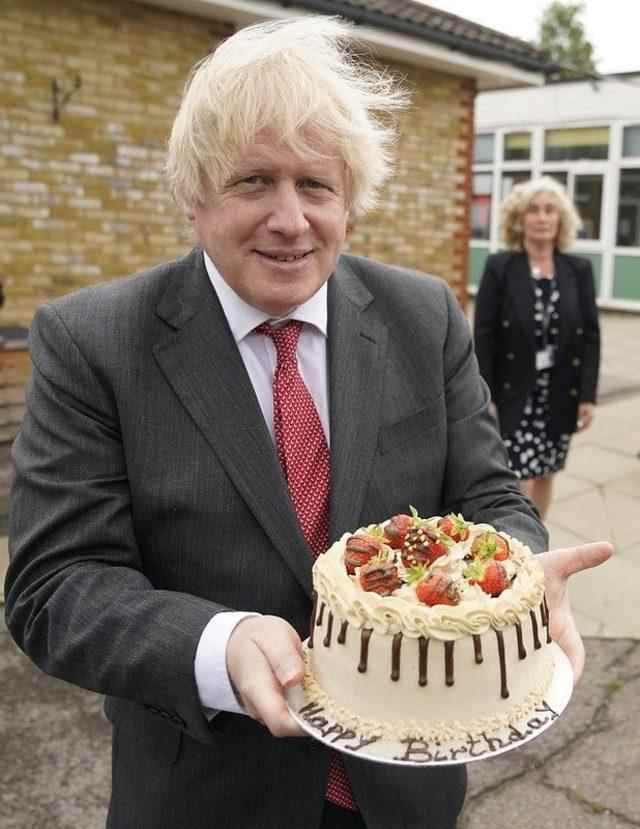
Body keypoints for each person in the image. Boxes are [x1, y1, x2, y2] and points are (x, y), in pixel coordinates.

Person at [4, 18, 611, 829]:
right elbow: (56, 584)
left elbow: (493, 501)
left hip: (408, 791)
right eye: (254, 181)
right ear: (194, 193)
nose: (290, 219)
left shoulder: (423, 316)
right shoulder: (93, 341)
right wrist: (217, 644)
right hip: (208, 796)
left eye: (316, 186)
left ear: (349, 201)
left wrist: (520, 583)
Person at [474, 176, 601, 520]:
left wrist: (587, 395)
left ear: (561, 220)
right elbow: (484, 334)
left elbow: (590, 335)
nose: (542, 217)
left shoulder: (578, 269)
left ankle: (537, 539)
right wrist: (486, 394)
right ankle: (520, 544)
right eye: (533, 210)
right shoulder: (500, 267)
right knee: (518, 478)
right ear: (519, 218)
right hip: (515, 390)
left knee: (546, 471)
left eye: (550, 210)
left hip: (559, 390)